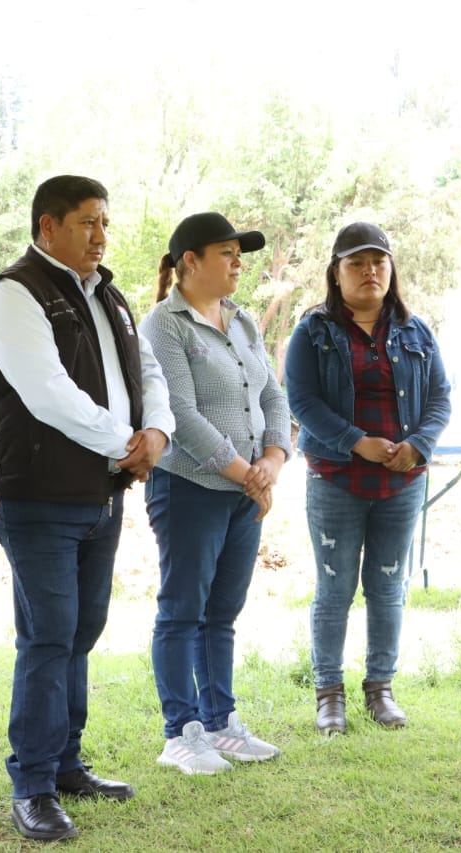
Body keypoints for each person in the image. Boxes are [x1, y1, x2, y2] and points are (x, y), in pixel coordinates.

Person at [0, 175, 174, 841]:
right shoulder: (13, 294)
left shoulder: (110, 296)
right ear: (47, 225)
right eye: (87, 222)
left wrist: (158, 436)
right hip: (37, 497)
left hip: (102, 493)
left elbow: (150, 376)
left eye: (104, 222)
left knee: (82, 630)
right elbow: (47, 393)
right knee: (50, 634)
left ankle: (65, 764)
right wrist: (126, 442)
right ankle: (31, 783)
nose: (100, 235)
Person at [138, 212, 292, 775]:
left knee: (222, 612)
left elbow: (273, 396)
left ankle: (221, 722)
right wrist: (244, 472)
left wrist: (271, 461)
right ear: (189, 262)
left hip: (246, 490)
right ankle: (181, 731)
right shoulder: (163, 325)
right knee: (183, 610)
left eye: (238, 253)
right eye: (226, 252)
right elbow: (177, 412)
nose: (238, 263)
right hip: (190, 487)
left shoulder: (242, 320)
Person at [284, 222, 451, 735]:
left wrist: (418, 446)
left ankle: (380, 689)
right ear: (336, 273)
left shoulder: (415, 331)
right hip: (336, 478)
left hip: (402, 483)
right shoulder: (313, 331)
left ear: (391, 269)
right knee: (334, 589)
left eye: (378, 261)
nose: (369, 271)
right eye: (356, 263)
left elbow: (441, 397)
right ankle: (328, 693)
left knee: (388, 587)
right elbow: (302, 401)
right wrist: (358, 441)